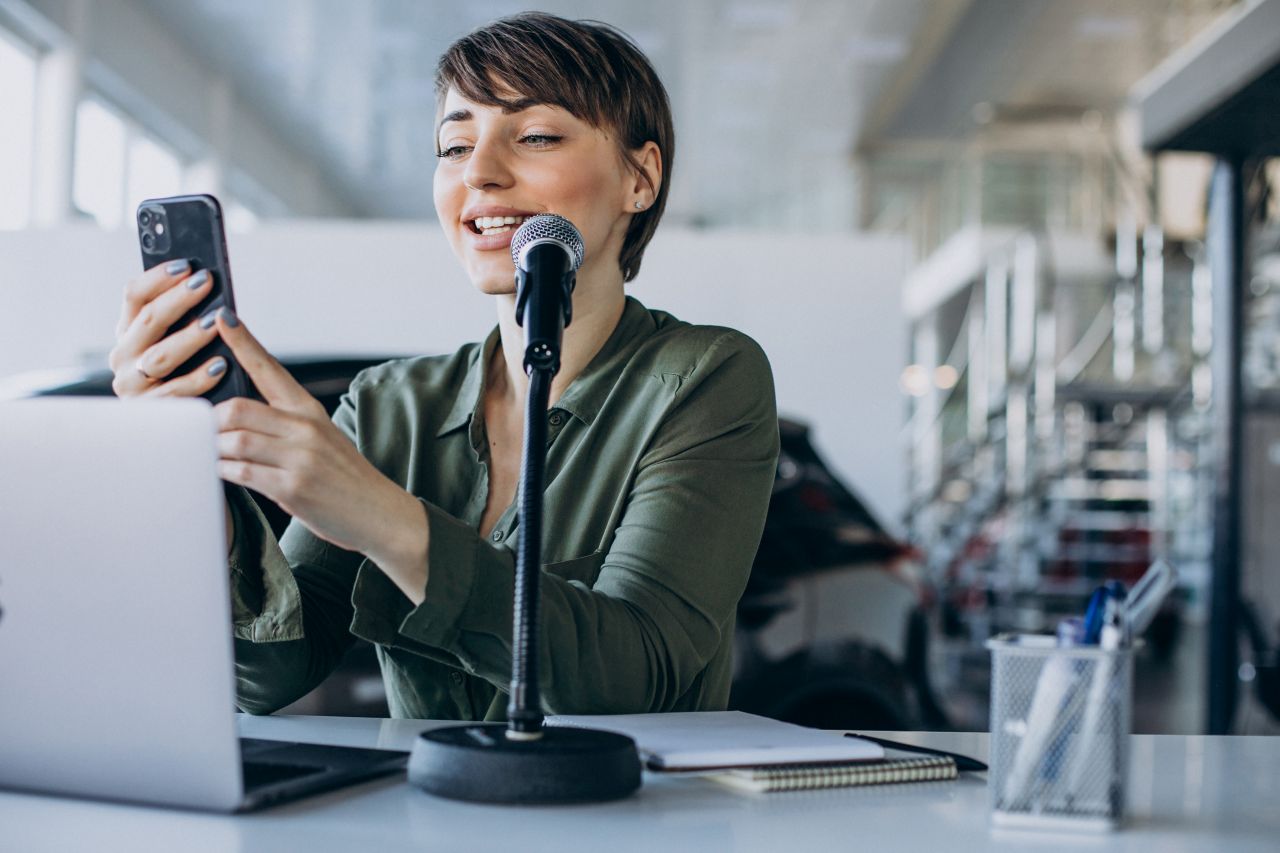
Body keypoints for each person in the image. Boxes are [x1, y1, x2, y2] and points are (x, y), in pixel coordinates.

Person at [107, 12, 779, 720]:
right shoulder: (390, 404)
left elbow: (634, 674)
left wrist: (381, 516)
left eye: (537, 135)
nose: (480, 173)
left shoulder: (708, 376)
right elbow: (271, 673)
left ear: (639, 178)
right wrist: (193, 478)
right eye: (454, 145)